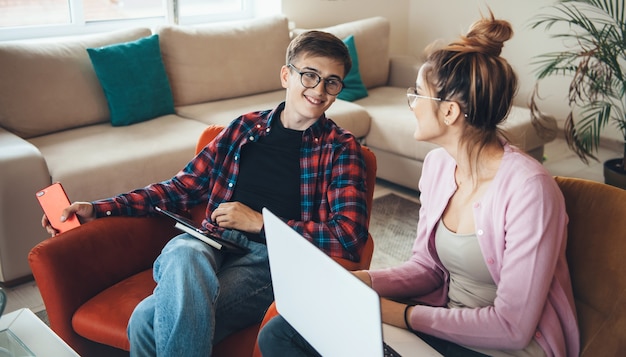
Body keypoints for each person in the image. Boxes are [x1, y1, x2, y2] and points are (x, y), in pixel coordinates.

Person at [258, 11, 580, 357]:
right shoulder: (440, 166)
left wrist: (402, 314)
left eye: (418, 94)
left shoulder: (529, 189)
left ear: (449, 113)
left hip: (504, 348)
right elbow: (428, 268)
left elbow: (513, 329)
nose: (410, 104)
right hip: (442, 326)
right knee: (283, 331)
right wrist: (363, 282)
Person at [42, 30, 369, 357]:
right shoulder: (244, 128)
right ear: (286, 75)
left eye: (332, 82)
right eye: (310, 75)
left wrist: (259, 222)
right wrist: (99, 209)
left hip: (270, 261)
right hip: (210, 242)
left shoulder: (341, 149)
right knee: (185, 251)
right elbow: (180, 188)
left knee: (145, 320)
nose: (319, 90)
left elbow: (349, 236)